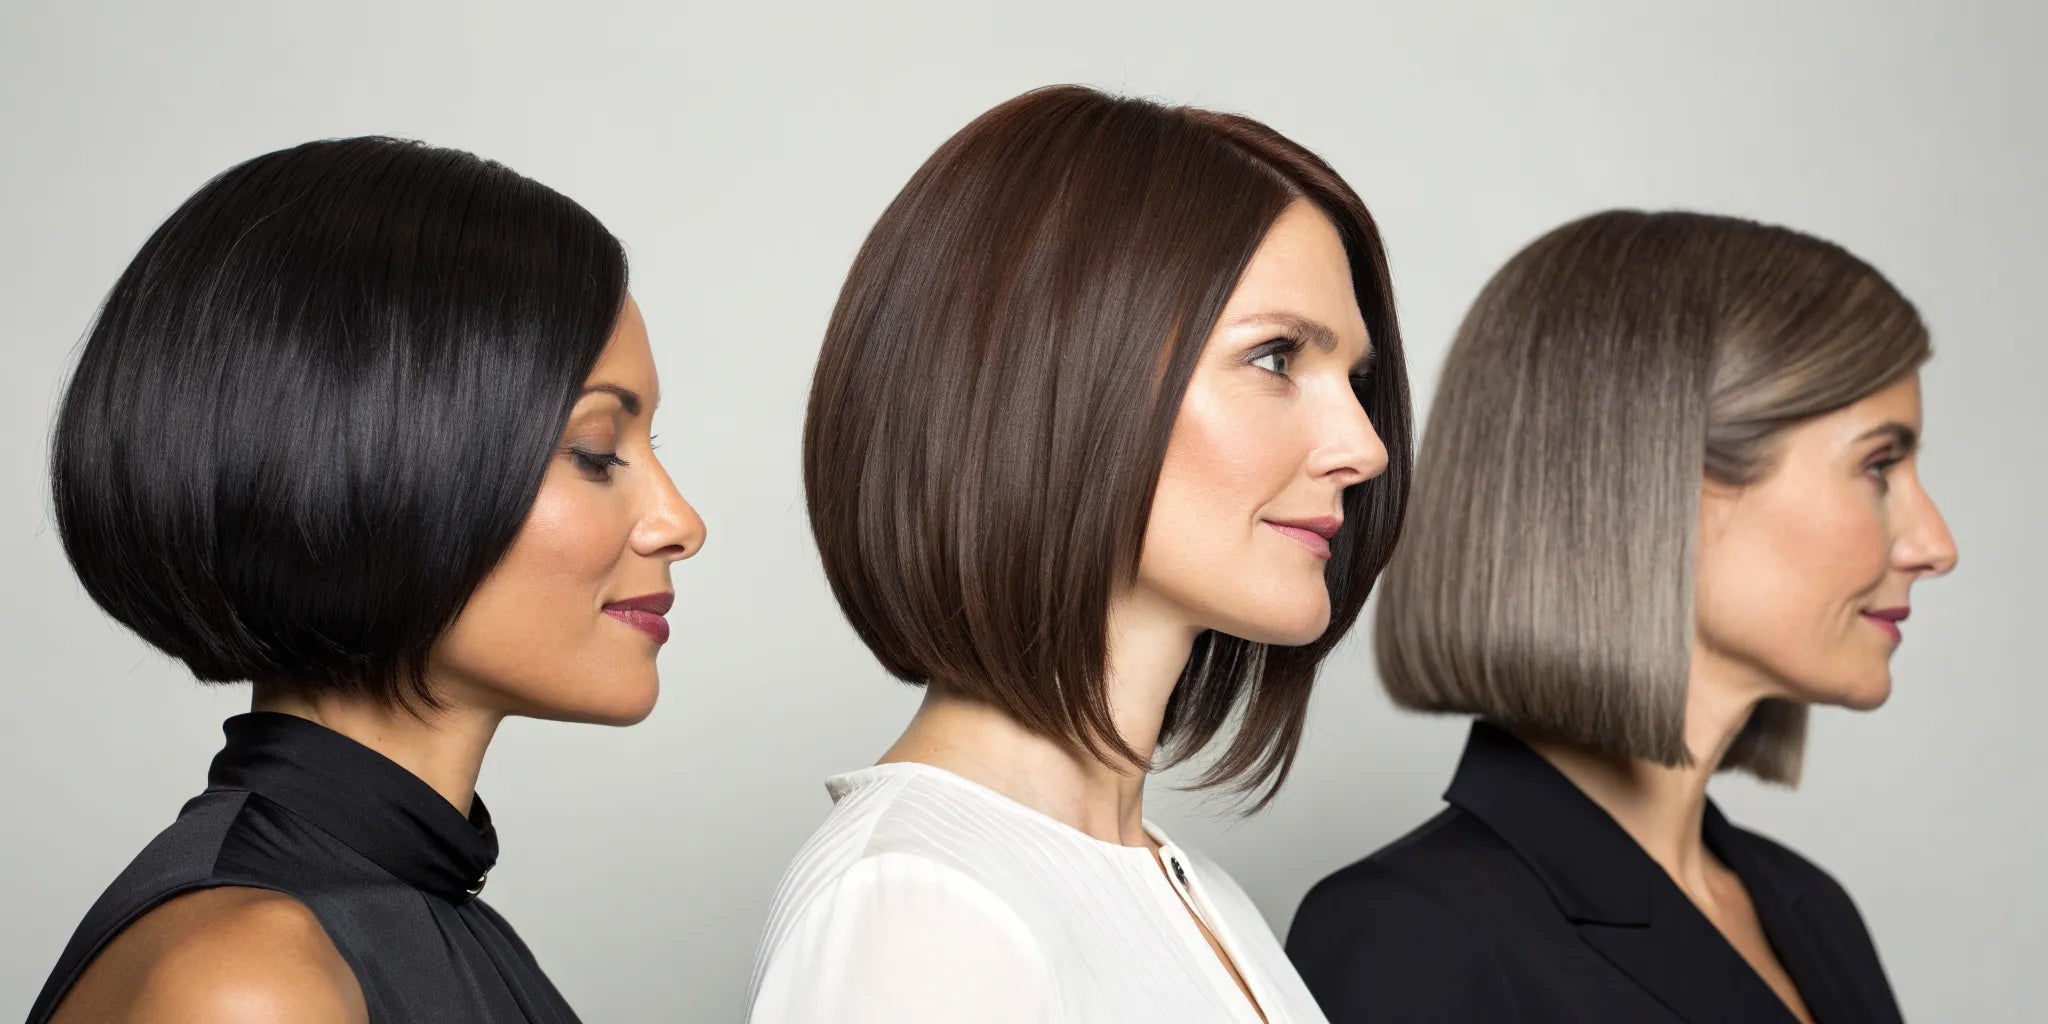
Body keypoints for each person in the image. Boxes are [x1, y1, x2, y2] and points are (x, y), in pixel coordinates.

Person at [747, 85, 1412, 1023]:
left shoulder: (1197, 899)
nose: (1365, 448)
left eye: (1354, 379)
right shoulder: (922, 911)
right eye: (1275, 359)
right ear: (1057, 375)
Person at [30, 136, 705, 1023]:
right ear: (375, 467)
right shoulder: (251, 983)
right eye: (595, 449)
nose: (680, 523)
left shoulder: (414, 919)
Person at [1287, 210, 1958, 1024]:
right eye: (1878, 466)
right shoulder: (1414, 937)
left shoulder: (1812, 911)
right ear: (1663, 478)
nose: (1935, 545)